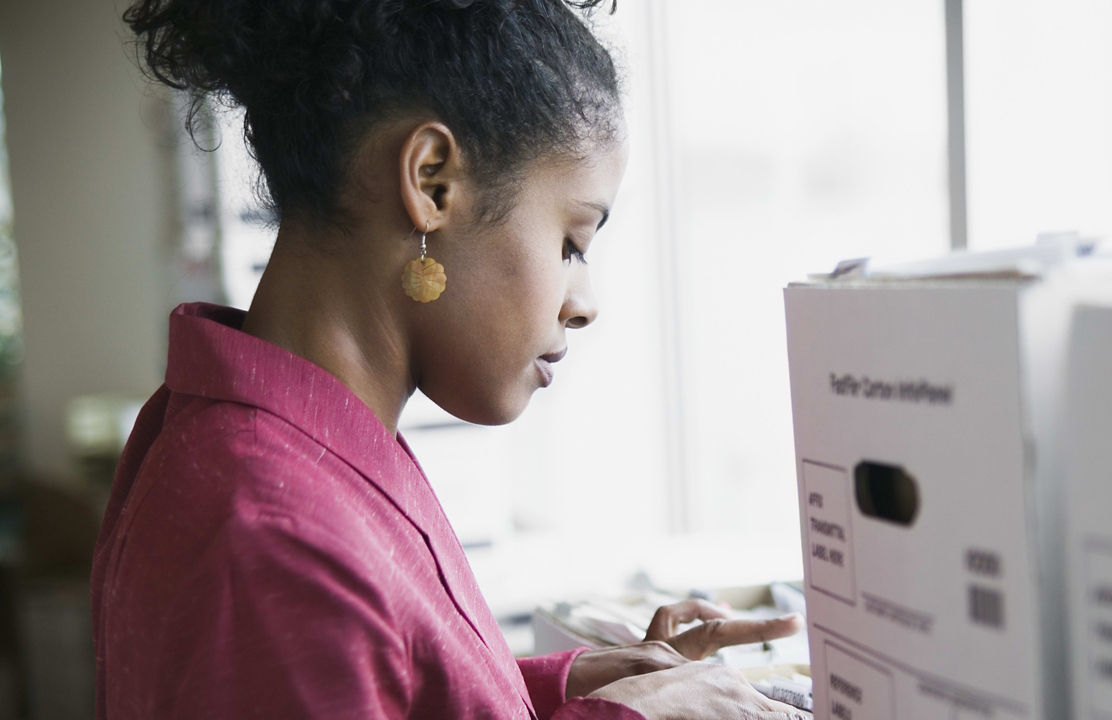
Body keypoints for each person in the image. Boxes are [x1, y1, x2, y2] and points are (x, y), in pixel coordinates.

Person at [91, 1, 810, 718]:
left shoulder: (305, 450)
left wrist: (580, 686)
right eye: (571, 243)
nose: (584, 301)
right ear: (432, 181)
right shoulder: (267, 535)